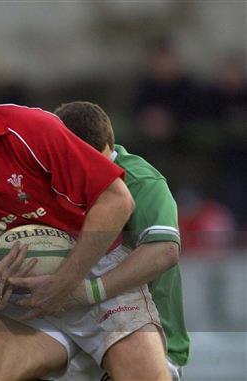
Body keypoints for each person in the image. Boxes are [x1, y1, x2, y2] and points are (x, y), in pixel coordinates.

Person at [0, 55, 170, 380]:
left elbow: (116, 200)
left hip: (97, 274)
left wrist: (66, 283)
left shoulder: (30, 127)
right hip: (23, 294)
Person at [54, 101, 190, 379]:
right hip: (79, 334)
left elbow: (163, 251)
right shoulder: (52, 180)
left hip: (149, 336)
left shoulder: (142, 181)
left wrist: (91, 291)